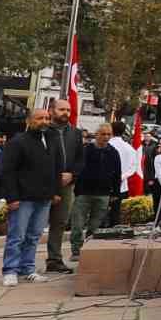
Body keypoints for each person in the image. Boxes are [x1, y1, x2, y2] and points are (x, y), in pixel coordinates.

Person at [0, 107, 64, 286]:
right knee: (17, 236)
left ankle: (27, 268)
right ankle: (10, 270)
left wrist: (56, 191)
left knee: (34, 235)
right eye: (39, 118)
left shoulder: (53, 139)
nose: (44, 121)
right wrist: (11, 198)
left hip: (44, 197)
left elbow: (57, 167)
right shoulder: (18, 142)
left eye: (47, 118)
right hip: (23, 198)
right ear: (29, 121)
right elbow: (7, 171)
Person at [69, 125, 121, 261]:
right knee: (78, 224)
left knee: (95, 226)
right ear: (96, 134)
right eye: (103, 134)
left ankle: (89, 249)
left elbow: (117, 174)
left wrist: (115, 193)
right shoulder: (86, 150)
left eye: (109, 134)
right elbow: (77, 169)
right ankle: (76, 251)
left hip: (103, 194)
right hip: (84, 193)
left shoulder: (113, 152)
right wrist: (77, 189)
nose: (106, 137)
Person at [44, 98, 82, 274]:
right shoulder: (43, 131)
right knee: (34, 223)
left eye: (68, 110)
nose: (66, 113)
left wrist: (72, 174)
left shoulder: (75, 133)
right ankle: (22, 263)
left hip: (66, 185)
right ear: (51, 111)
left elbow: (80, 159)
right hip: (44, 184)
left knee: (59, 222)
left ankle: (54, 259)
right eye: (61, 109)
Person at [106, 120, 137, 228]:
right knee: (116, 213)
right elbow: (134, 167)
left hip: (105, 184)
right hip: (122, 185)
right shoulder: (129, 148)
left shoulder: (106, 145)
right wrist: (122, 176)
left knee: (101, 211)